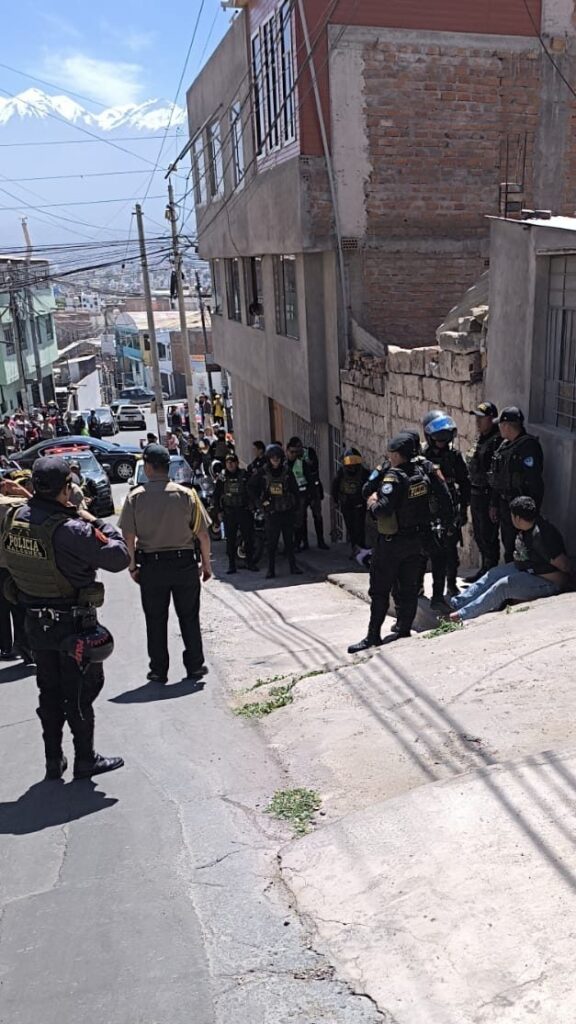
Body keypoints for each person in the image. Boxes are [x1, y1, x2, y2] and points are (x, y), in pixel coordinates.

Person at [1, 456, 129, 779]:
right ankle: (85, 758)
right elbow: (119, 556)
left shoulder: (15, 518)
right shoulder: (71, 529)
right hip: (73, 625)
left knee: (49, 691)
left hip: (35, 624)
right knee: (80, 692)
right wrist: (93, 519)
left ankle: (53, 760)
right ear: (66, 489)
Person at [118, 443, 212, 684]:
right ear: (168, 467)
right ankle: (195, 666)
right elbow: (203, 535)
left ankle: (159, 670)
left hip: (152, 567)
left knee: (155, 620)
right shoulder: (187, 495)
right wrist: (206, 565)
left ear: (148, 467)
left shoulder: (135, 497)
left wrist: (132, 567)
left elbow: (128, 537)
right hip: (184, 565)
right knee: (189, 617)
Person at [348, 434, 431, 653]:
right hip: (414, 541)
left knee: (379, 590)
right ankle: (403, 630)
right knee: (408, 588)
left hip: (391, 544)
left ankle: (373, 635)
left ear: (396, 454)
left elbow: (382, 508)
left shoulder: (394, 477)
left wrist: (372, 503)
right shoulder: (420, 474)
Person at [450, 496, 572, 622]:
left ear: (517, 518)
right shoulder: (526, 528)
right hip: (526, 568)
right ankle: (457, 603)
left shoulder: (542, 535)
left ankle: (462, 615)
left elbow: (564, 565)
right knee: (493, 574)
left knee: (503, 586)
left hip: (546, 582)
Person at [422, 411, 471, 608]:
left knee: (450, 552)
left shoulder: (454, 456)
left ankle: (450, 585)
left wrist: (463, 509)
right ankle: (419, 587)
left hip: (449, 511)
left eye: (445, 438)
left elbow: (465, 483)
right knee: (424, 553)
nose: (442, 442)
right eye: (438, 438)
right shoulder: (422, 457)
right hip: (427, 511)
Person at [489, 406, 544, 562]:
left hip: (521, 507)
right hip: (505, 505)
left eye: (500, 424)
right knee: (509, 547)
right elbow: (498, 477)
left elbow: (534, 481)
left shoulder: (528, 447)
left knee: (522, 549)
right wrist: (494, 503)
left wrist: (530, 512)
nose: (499, 428)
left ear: (507, 425)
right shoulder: (505, 445)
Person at [249, 443, 302, 579]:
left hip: (286, 511)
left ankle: (293, 566)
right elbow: (251, 487)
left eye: (278, 457)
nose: (275, 460)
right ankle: (271, 569)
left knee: (289, 541)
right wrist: (259, 504)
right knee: (272, 543)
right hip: (272, 512)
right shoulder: (262, 472)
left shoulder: (287, 472)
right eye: (273, 458)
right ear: (269, 458)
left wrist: (296, 508)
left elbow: (295, 490)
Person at [465, 401, 502, 581]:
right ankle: (484, 570)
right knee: (479, 534)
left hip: (488, 494)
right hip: (475, 493)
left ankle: (490, 573)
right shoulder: (480, 438)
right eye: (477, 418)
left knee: (488, 535)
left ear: (492, 419)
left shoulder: (497, 441)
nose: (478, 422)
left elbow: (497, 474)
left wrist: (494, 502)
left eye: (482, 418)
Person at [0, 477, 33, 661]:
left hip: (3, 567)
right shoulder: (15, 506)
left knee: (2, 610)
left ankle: (6, 647)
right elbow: (39, 508)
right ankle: (24, 646)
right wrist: (22, 491)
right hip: (17, 565)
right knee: (19, 607)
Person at [213, 452, 258, 574]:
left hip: (244, 511)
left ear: (237, 463)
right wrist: (218, 511)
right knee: (230, 540)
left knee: (248, 538)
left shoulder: (245, 475)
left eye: (232, 462)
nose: (230, 464)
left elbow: (252, 490)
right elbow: (216, 496)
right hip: (229, 512)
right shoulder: (222, 478)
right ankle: (231, 565)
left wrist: (254, 506)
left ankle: (250, 562)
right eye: (228, 462)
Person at [286, 436, 328, 550]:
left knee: (317, 515)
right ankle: (304, 542)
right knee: (300, 518)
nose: (297, 451)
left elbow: (314, 468)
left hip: (312, 489)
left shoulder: (308, 453)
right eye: (294, 450)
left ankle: (320, 541)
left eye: (299, 447)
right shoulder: (288, 461)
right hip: (298, 493)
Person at [331, 448, 370, 552]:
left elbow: (370, 485)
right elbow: (335, 487)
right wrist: (335, 501)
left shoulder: (363, 472)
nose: (352, 465)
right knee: (350, 527)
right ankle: (354, 547)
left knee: (359, 526)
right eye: (350, 461)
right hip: (346, 503)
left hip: (359, 503)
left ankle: (361, 547)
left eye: (354, 461)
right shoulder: (341, 473)